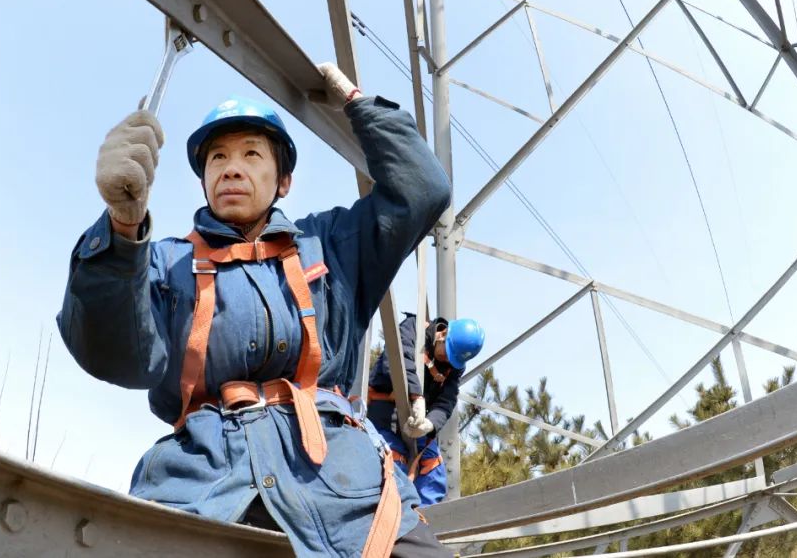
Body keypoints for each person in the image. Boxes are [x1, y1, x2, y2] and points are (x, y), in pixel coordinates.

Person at [57, 64, 453, 557]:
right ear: (203, 180)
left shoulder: (330, 246)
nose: (231, 167)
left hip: (343, 483)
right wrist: (120, 230)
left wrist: (359, 104)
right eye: (217, 157)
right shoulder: (161, 262)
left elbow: (423, 190)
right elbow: (111, 352)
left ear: (283, 179)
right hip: (202, 481)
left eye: (250, 153)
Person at [367, 313, 485, 505]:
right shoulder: (413, 328)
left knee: (433, 468)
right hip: (385, 413)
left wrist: (430, 424)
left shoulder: (452, 365)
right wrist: (416, 396)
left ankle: (424, 523)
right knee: (394, 462)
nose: (446, 360)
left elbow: (447, 400)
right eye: (446, 353)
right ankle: (397, 520)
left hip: (416, 420)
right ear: (443, 333)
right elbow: (396, 359)